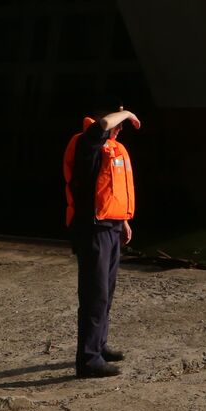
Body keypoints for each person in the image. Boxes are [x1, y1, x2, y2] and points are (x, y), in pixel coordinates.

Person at [63, 108, 141, 379]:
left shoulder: (113, 148)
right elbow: (102, 127)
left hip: (110, 227)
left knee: (105, 292)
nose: (121, 128)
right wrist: (127, 112)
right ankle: (88, 360)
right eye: (119, 123)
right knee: (94, 295)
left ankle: (99, 345)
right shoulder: (87, 143)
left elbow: (111, 191)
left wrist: (123, 221)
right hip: (92, 229)